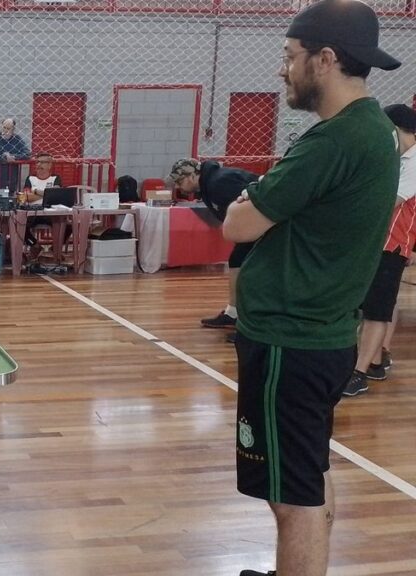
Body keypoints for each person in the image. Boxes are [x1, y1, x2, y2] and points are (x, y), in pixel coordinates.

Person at [222, 2, 400, 575]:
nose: (283, 69)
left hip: (290, 341)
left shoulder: (333, 142)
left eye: (289, 56)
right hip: (320, 334)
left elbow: (238, 224)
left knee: (291, 495)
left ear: (325, 59)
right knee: (308, 473)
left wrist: (250, 200)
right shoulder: (373, 129)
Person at [344, 103, 416, 397]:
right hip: (377, 242)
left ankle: (358, 373)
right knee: (375, 306)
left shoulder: (413, 161)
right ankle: (374, 361)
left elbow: (389, 201)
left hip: (391, 245)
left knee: (376, 310)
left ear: (396, 129)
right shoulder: (396, 158)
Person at [169, 157, 260, 343]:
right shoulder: (211, 184)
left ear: (192, 176)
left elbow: (253, 205)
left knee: (253, 272)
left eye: (180, 181)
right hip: (255, 227)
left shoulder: (219, 183)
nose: (178, 186)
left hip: (264, 226)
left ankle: (253, 327)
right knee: (237, 261)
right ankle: (233, 314)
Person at [19, 153, 64, 256]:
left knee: (68, 225)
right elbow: (26, 197)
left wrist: (35, 192)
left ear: (50, 165)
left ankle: (54, 248)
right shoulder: (30, 178)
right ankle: (35, 245)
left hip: (50, 212)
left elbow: (56, 195)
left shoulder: (55, 178)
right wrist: (48, 194)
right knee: (18, 224)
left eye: (43, 162)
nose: (39, 165)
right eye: (37, 162)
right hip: (33, 212)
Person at [0, 118, 30, 192]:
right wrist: (3, 158)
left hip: (11, 177)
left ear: (13, 129)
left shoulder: (17, 139)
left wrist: (14, 157)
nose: (6, 131)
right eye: (4, 127)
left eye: (9, 128)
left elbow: (27, 153)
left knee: (10, 195)